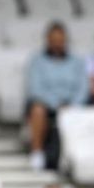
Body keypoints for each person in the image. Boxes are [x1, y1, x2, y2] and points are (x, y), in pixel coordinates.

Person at [26, 22, 89, 171]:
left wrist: (73, 104)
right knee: (37, 110)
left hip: (72, 105)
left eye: (60, 41)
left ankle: (72, 158)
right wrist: (55, 104)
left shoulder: (77, 61)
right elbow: (35, 88)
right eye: (53, 40)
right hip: (47, 105)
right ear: (47, 40)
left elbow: (83, 87)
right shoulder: (37, 61)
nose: (57, 44)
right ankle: (37, 154)